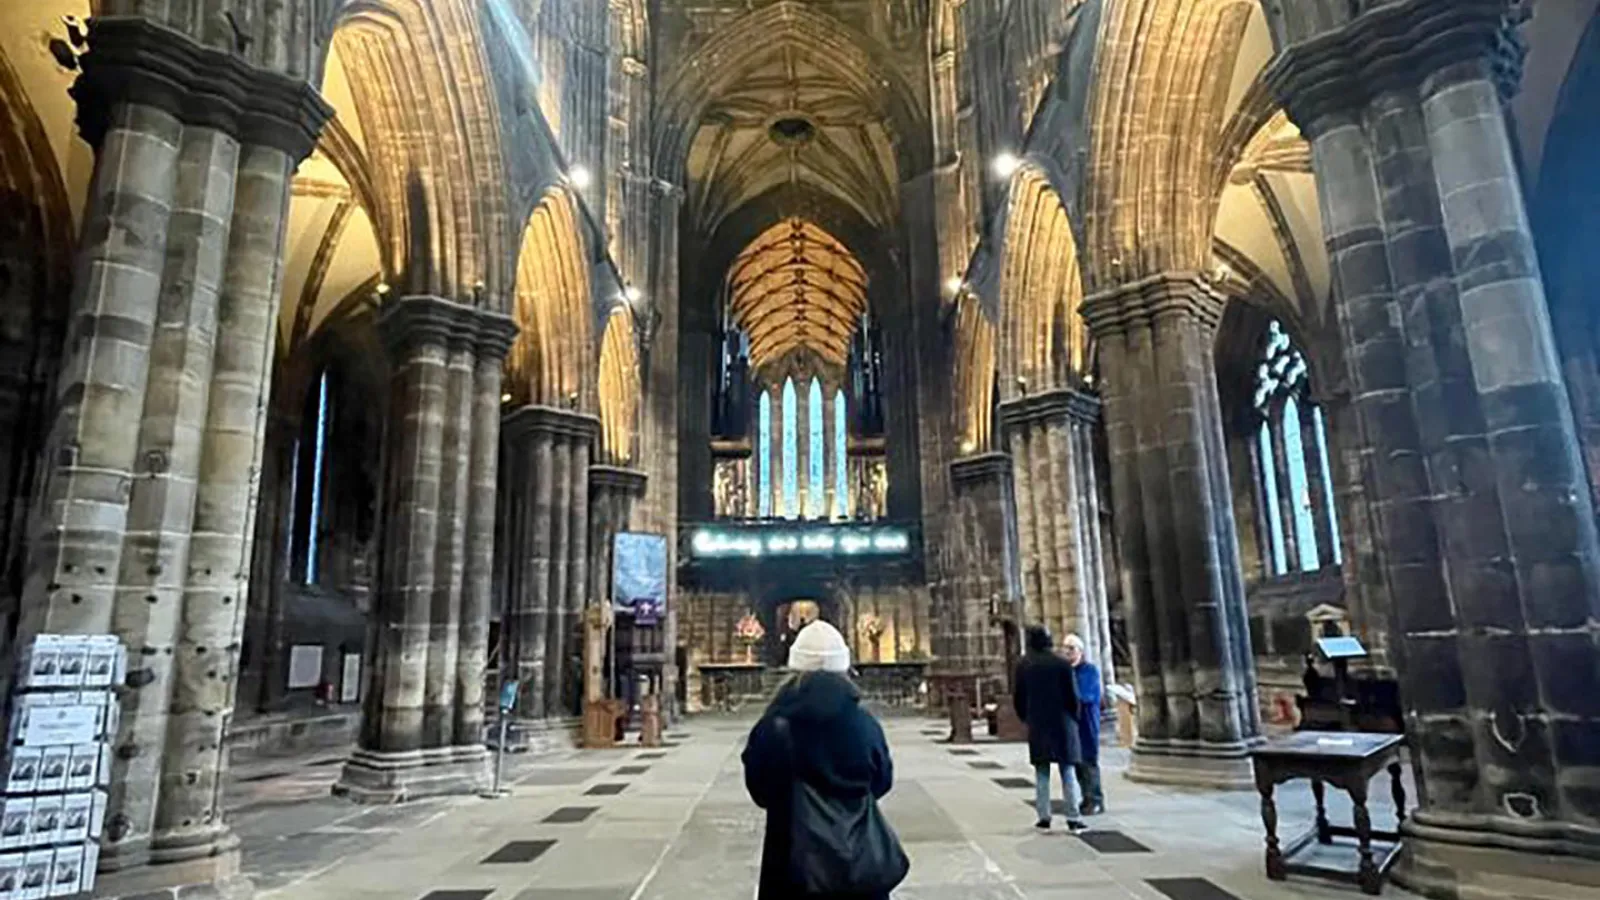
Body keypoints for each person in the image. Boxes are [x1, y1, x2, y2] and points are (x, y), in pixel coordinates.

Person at [742, 621, 902, 899]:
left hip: (793, 864)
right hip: (857, 862)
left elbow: (759, 790)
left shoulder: (774, 726)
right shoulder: (864, 724)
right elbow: (882, 780)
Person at [1013, 625, 1088, 833]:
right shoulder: (1062, 664)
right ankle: (1073, 816)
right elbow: (1073, 697)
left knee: (1042, 773)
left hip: (1038, 724)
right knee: (1068, 771)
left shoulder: (1024, 665)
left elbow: (1018, 697)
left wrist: (1026, 718)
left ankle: (1044, 817)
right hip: (1063, 723)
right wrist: (1074, 717)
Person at [1061, 634, 1104, 815]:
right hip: (1071, 724)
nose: (1068, 652)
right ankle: (1085, 798)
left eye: (1072, 648)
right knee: (1078, 763)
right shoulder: (1065, 671)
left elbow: (1087, 696)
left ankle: (1095, 800)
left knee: (1089, 762)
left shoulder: (1089, 670)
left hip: (1086, 723)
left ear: (1080, 651)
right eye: (1066, 648)